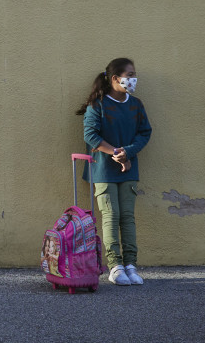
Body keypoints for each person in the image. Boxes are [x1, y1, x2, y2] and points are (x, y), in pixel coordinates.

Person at [76, 58, 152, 286]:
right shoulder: (98, 104)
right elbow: (90, 135)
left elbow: (144, 132)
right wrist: (115, 153)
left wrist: (127, 153)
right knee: (111, 216)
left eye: (134, 74)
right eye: (129, 75)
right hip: (103, 170)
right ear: (115, 79)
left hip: (128, 169)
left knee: (128, 218)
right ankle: (115, 266)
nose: (133, 79)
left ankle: (130, 265)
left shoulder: (136, 104)